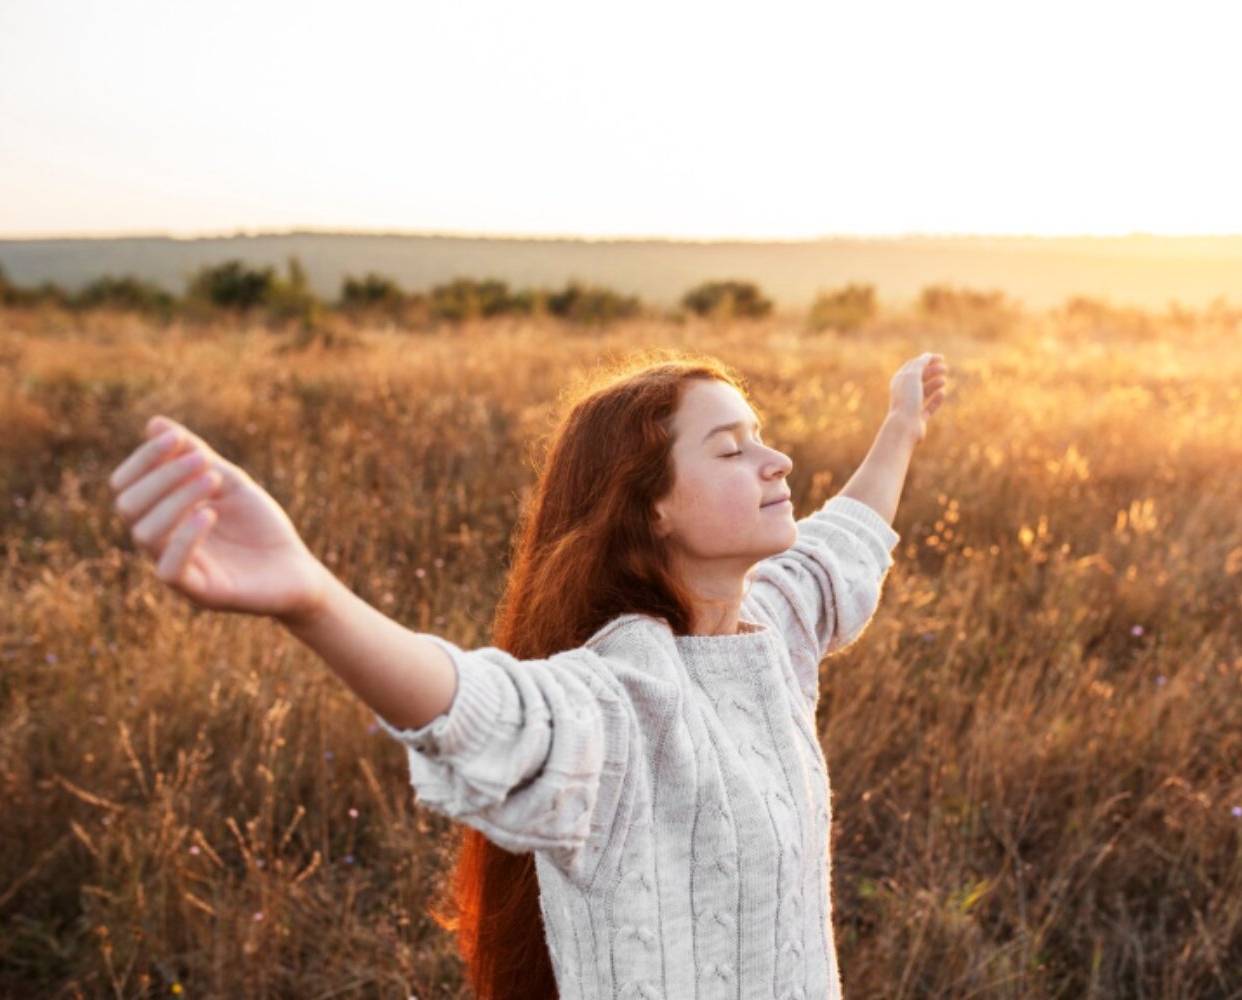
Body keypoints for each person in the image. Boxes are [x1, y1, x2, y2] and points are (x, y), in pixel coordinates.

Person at [107, 348, 949, 999]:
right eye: (732, 450)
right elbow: (486, 711)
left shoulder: (774, 622)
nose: (778, 462)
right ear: (648, 507)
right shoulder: (624, 694)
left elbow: (847, 546)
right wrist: (313, 601)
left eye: (761, 439)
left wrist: (901, 426)